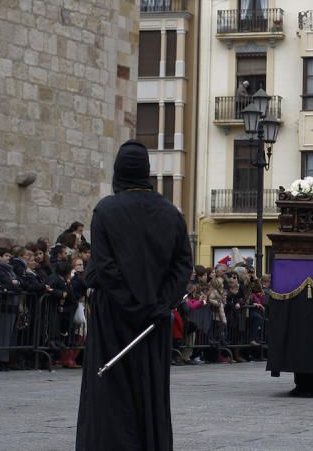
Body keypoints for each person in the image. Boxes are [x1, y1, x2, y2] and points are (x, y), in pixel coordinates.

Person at [76, 140, 193, 451]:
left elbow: (105, 266)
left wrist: (131, 305)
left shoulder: (105, 210)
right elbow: (183, 265)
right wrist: (159, 304)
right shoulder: (171, 212)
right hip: (154, 320)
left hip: (114, 315)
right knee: (150, 387)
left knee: (110, 392)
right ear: (146, 172)